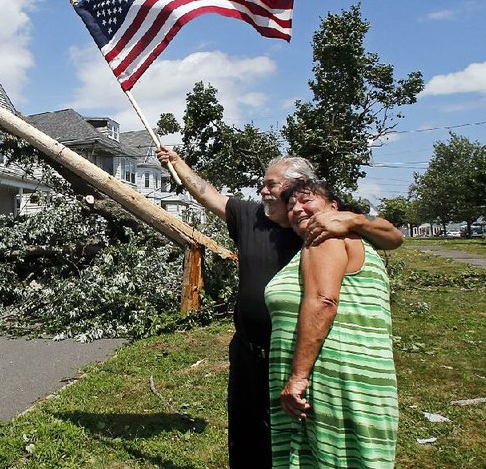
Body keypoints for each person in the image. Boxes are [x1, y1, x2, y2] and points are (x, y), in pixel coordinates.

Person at [156, 147, 403, 468]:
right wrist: (178, 164)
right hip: (248, 352)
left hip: (299, 357)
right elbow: (209, 197)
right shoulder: (251, 216)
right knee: (247, 439)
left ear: (298, 187)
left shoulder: (326, 227)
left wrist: (352, 218)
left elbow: (393, 236)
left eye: (271, 185)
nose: (263, 191)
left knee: (297, 443)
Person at [265, 179, 398, 467]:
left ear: (333, 208)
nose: (297, 209)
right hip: (356, 379)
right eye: (291, 205)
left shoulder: (324, 236)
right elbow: (395, 237)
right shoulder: (352, 236)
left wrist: (298, 377)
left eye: (306, 200)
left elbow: (323, 301)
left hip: (331, 384)